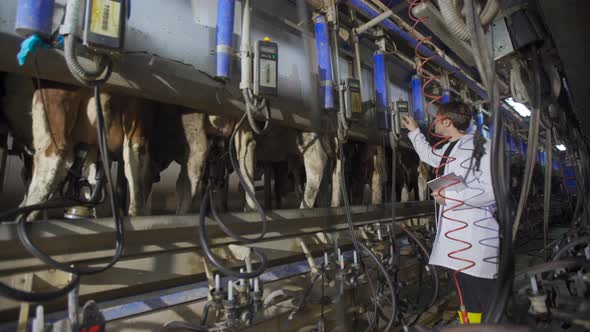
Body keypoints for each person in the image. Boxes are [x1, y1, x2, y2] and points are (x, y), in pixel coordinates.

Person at [401, 101, 499, 324]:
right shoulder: (450, 147)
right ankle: (472, 327)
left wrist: (450, 197)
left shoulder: (483, 146)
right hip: (456, 239)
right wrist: (415, 132)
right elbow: (430, 156)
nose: (433, 123)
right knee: (466, 296)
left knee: (484, 295)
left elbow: (491, 192)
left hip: (476, 236)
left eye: (436, 119)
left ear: (447, 121)